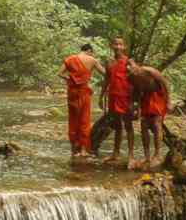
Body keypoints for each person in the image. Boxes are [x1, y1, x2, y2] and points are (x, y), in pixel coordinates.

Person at [59, 43, 105, 159]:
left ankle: (74, 150)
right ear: (89, 51)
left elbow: (59, 74)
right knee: (84, 119)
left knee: (73, 119)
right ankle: (84, 150)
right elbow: (105, 73)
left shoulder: (70, 59)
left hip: (72, 92)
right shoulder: (92, 60)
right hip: (84, 91)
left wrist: (70, 79)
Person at [126, 60, 171, 170]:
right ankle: (147, 156)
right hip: (145, 99)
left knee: (156, 124)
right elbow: (135, 94)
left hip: (158, 97)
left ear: (137, 67)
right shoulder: (131, 78)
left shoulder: (149, 71)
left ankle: (157, 154)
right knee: (144, 125)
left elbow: (164, 83)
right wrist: (134, 108)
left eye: (133, 69)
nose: (132, 72)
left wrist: (169, 101)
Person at [101, 36, 137, 168]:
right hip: (113, 97)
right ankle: (115, 153)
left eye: (120, 44)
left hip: (126, 97)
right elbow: (106, 80)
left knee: (128, 126)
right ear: (111, 46)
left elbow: (137, 76)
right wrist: (101, 96)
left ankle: (131, 156)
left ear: (124, 47)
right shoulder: (109, 62)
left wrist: (135, 101)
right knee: (117, 126)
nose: (117, 47)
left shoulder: (128, 61)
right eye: (115, 44)